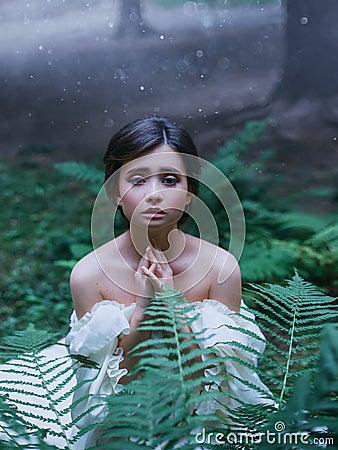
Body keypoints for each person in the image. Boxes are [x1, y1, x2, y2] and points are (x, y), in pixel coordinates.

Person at [65, 117, 272, 448]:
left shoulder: (220, 267)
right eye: (137, 180)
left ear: (190, 193)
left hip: (200, 422)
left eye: (170, 180)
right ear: (114, 193)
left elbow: (214, 384)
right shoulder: (89, 275)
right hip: (125, 426)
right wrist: (145, 305)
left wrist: (171, 302)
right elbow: (118, 390)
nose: (154, 196)